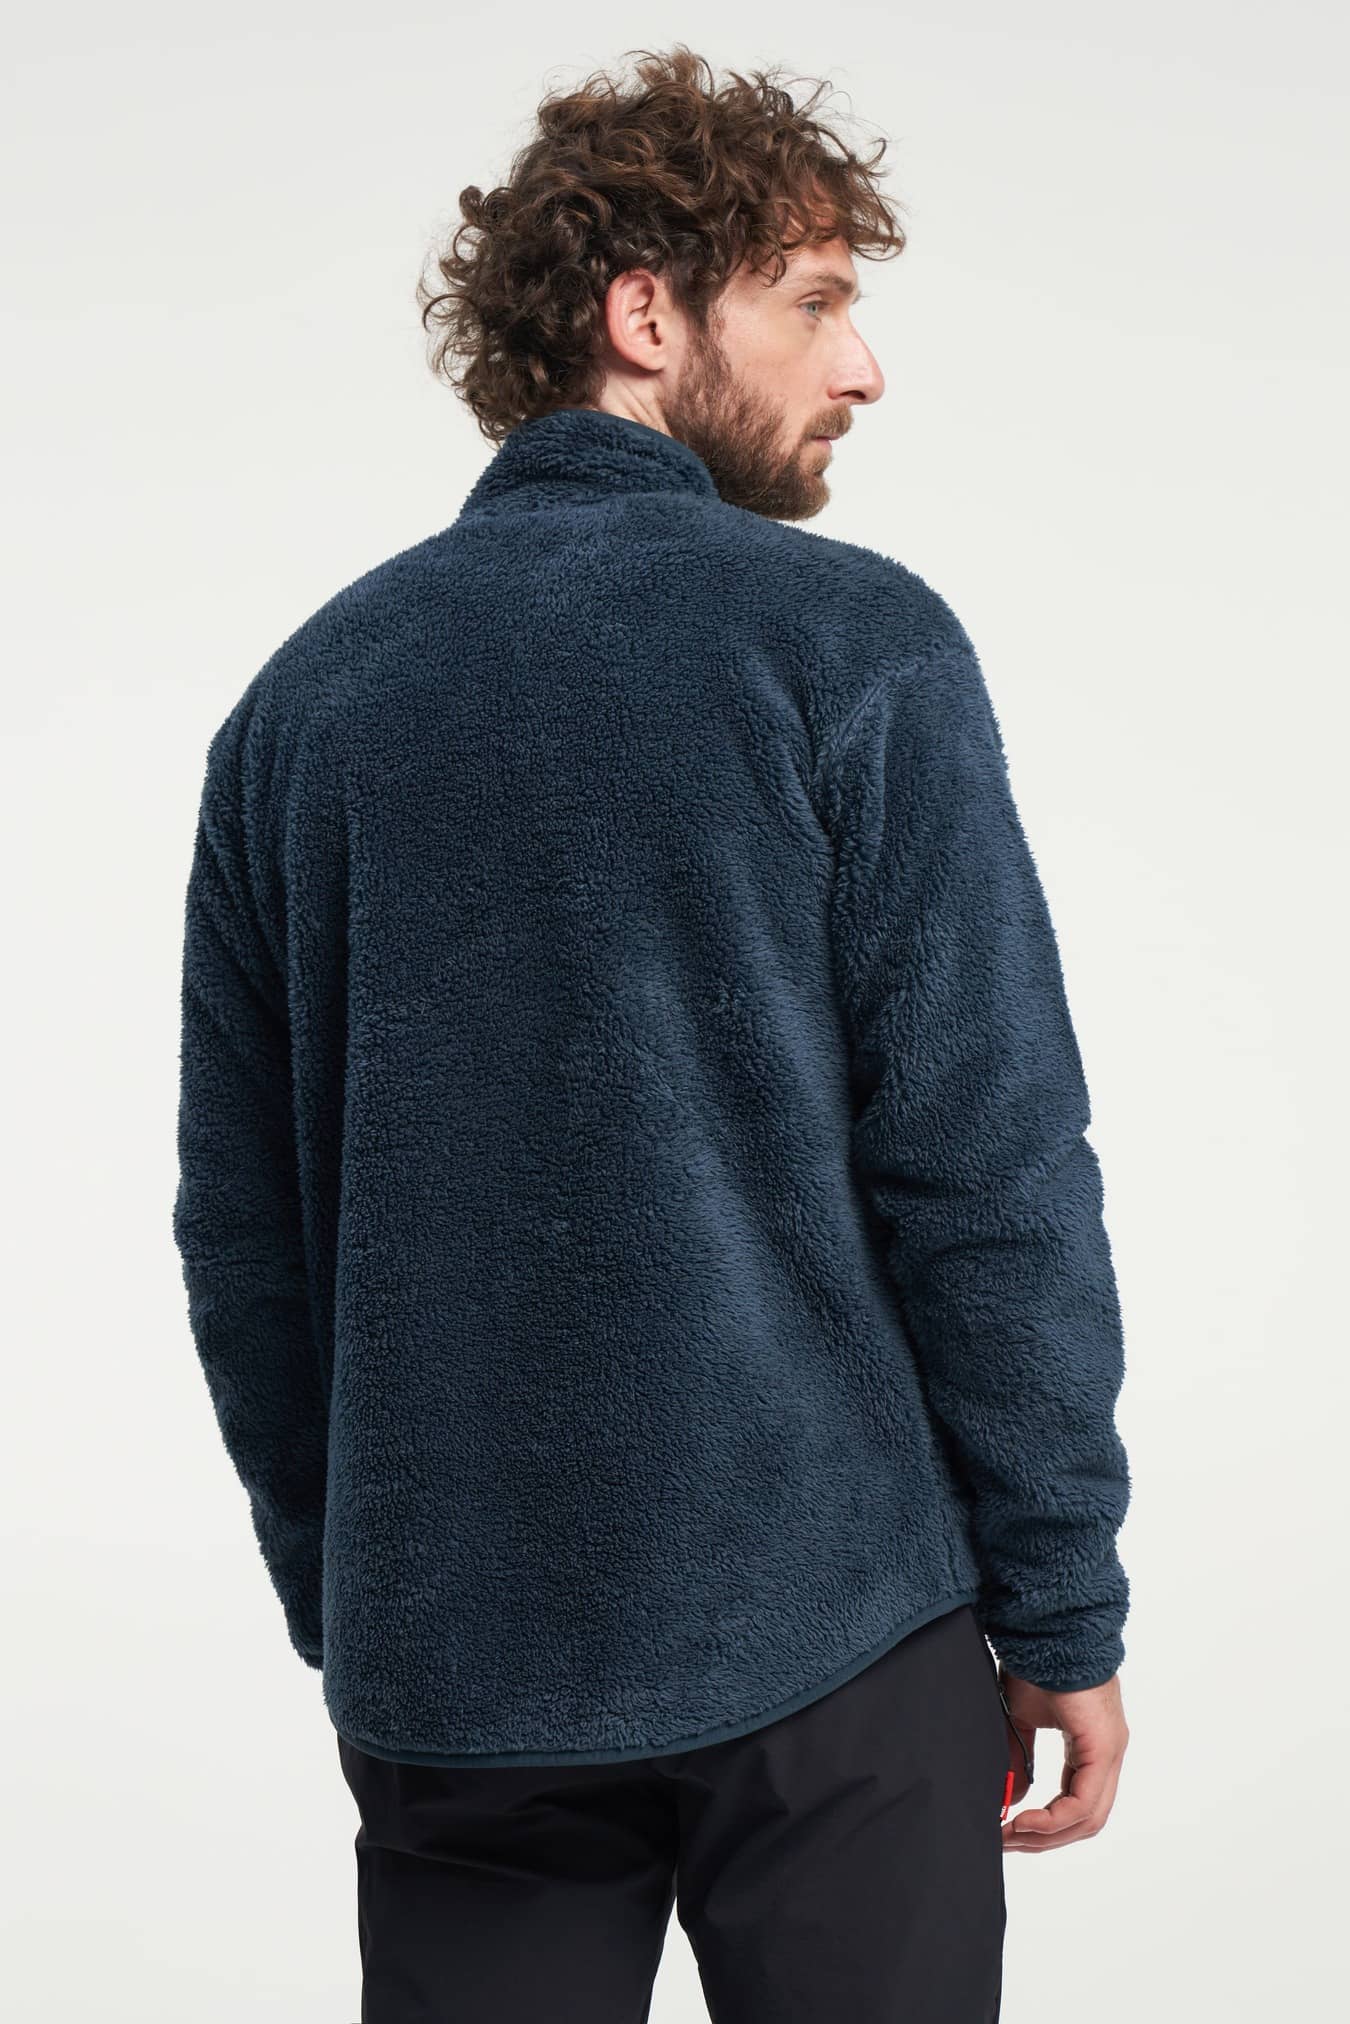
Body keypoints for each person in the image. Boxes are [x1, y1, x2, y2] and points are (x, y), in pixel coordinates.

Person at [172, 43, 1132, 2024]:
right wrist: (1061, 1603)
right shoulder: (847, 642)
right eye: (815, 301)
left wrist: (364, 1601)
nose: (862, 368)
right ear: (645, 315)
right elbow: (985, 1164)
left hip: (459, 1673)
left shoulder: (298, 710)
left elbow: (241, 1237)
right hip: (834, 1637)